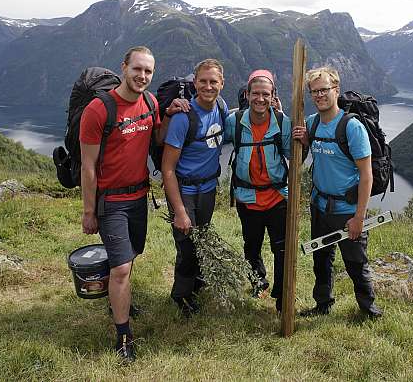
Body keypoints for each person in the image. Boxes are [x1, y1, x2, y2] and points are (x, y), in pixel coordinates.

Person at [80, 46, 161, 362]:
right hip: (111, 200)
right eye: (137, 69)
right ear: (124, 67)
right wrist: (89, 211)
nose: (142, 76)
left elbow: (158, 137)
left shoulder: (151, 103)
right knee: (122, 266)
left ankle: (119, 298)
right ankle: (124, 336)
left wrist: (178, 110)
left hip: (139, 196)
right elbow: (88, 165)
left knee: (131, 255)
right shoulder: (100, 110)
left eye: (148, 72)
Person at [292, 66, 383, 319]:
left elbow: (366, 176)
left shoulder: (352, 127)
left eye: (324, 90)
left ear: (336, 90)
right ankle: (322, 305)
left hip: (347, 211)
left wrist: (359, 218)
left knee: (356, 263)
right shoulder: (312, 124)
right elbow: (316, 151)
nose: (319, 95)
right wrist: (305, 140)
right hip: (320, 207)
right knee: (321, 260)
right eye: (314, 91)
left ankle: (369, 309)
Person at [162, 59, 228, 317]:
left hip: (208, 189)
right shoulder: (183, 118)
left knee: (201, 239)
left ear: (222, 83)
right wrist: (179, 210)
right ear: (194, 83)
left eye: (213, 81)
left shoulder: (221, 108)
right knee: (187, 245)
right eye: (203, 81)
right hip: (185, 191)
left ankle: (196, 285)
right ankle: (181, 295)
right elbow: (167, 169)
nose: (208, 86)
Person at [224, 70, 290, 313]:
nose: (260, 99)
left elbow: (293, 155)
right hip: (247, 197)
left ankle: (283, 294)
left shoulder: (282, 122)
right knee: (251, 245)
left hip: (277, 197)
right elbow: (212, 140)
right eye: (255, 94)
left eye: (266, 94)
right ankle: (258, 281)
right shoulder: (234, 122)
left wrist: (301, 140)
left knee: (282, 248)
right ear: (247, 94)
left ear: (273, 96)